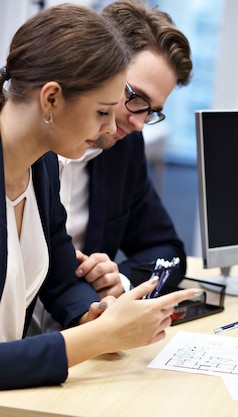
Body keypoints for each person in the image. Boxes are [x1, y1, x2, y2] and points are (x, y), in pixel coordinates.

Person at [0, 3, 199, 390]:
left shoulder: (37, 167)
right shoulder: (45, 157)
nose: (119, 127)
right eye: (103, 111)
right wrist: (99, 336)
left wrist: (98, 314)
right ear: (52, 99)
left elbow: (60, 275)